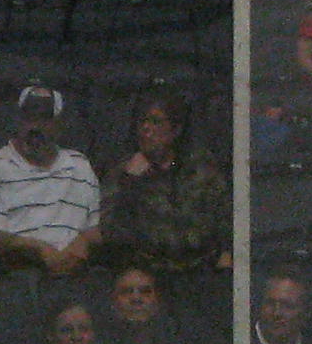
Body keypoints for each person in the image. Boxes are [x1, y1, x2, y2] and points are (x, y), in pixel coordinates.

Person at [0, 83, 100, 278]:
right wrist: (38, 249)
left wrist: (82, 244)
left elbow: (94, 230)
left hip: (76, 276)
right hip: (15, 277)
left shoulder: (80, 165)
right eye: (29, 118)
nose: (35, 127)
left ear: (59, 125)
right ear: (18, 120)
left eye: (44, 120)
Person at [98, 87, 228, 290]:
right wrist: (130, 183)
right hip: (146, 277)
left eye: (156, 122)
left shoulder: (201, 168)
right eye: (142, 122)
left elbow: (221, 219)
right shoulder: (123, 172)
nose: (146, 129)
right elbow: (110, 231)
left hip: (201, 272)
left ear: (175, 130)